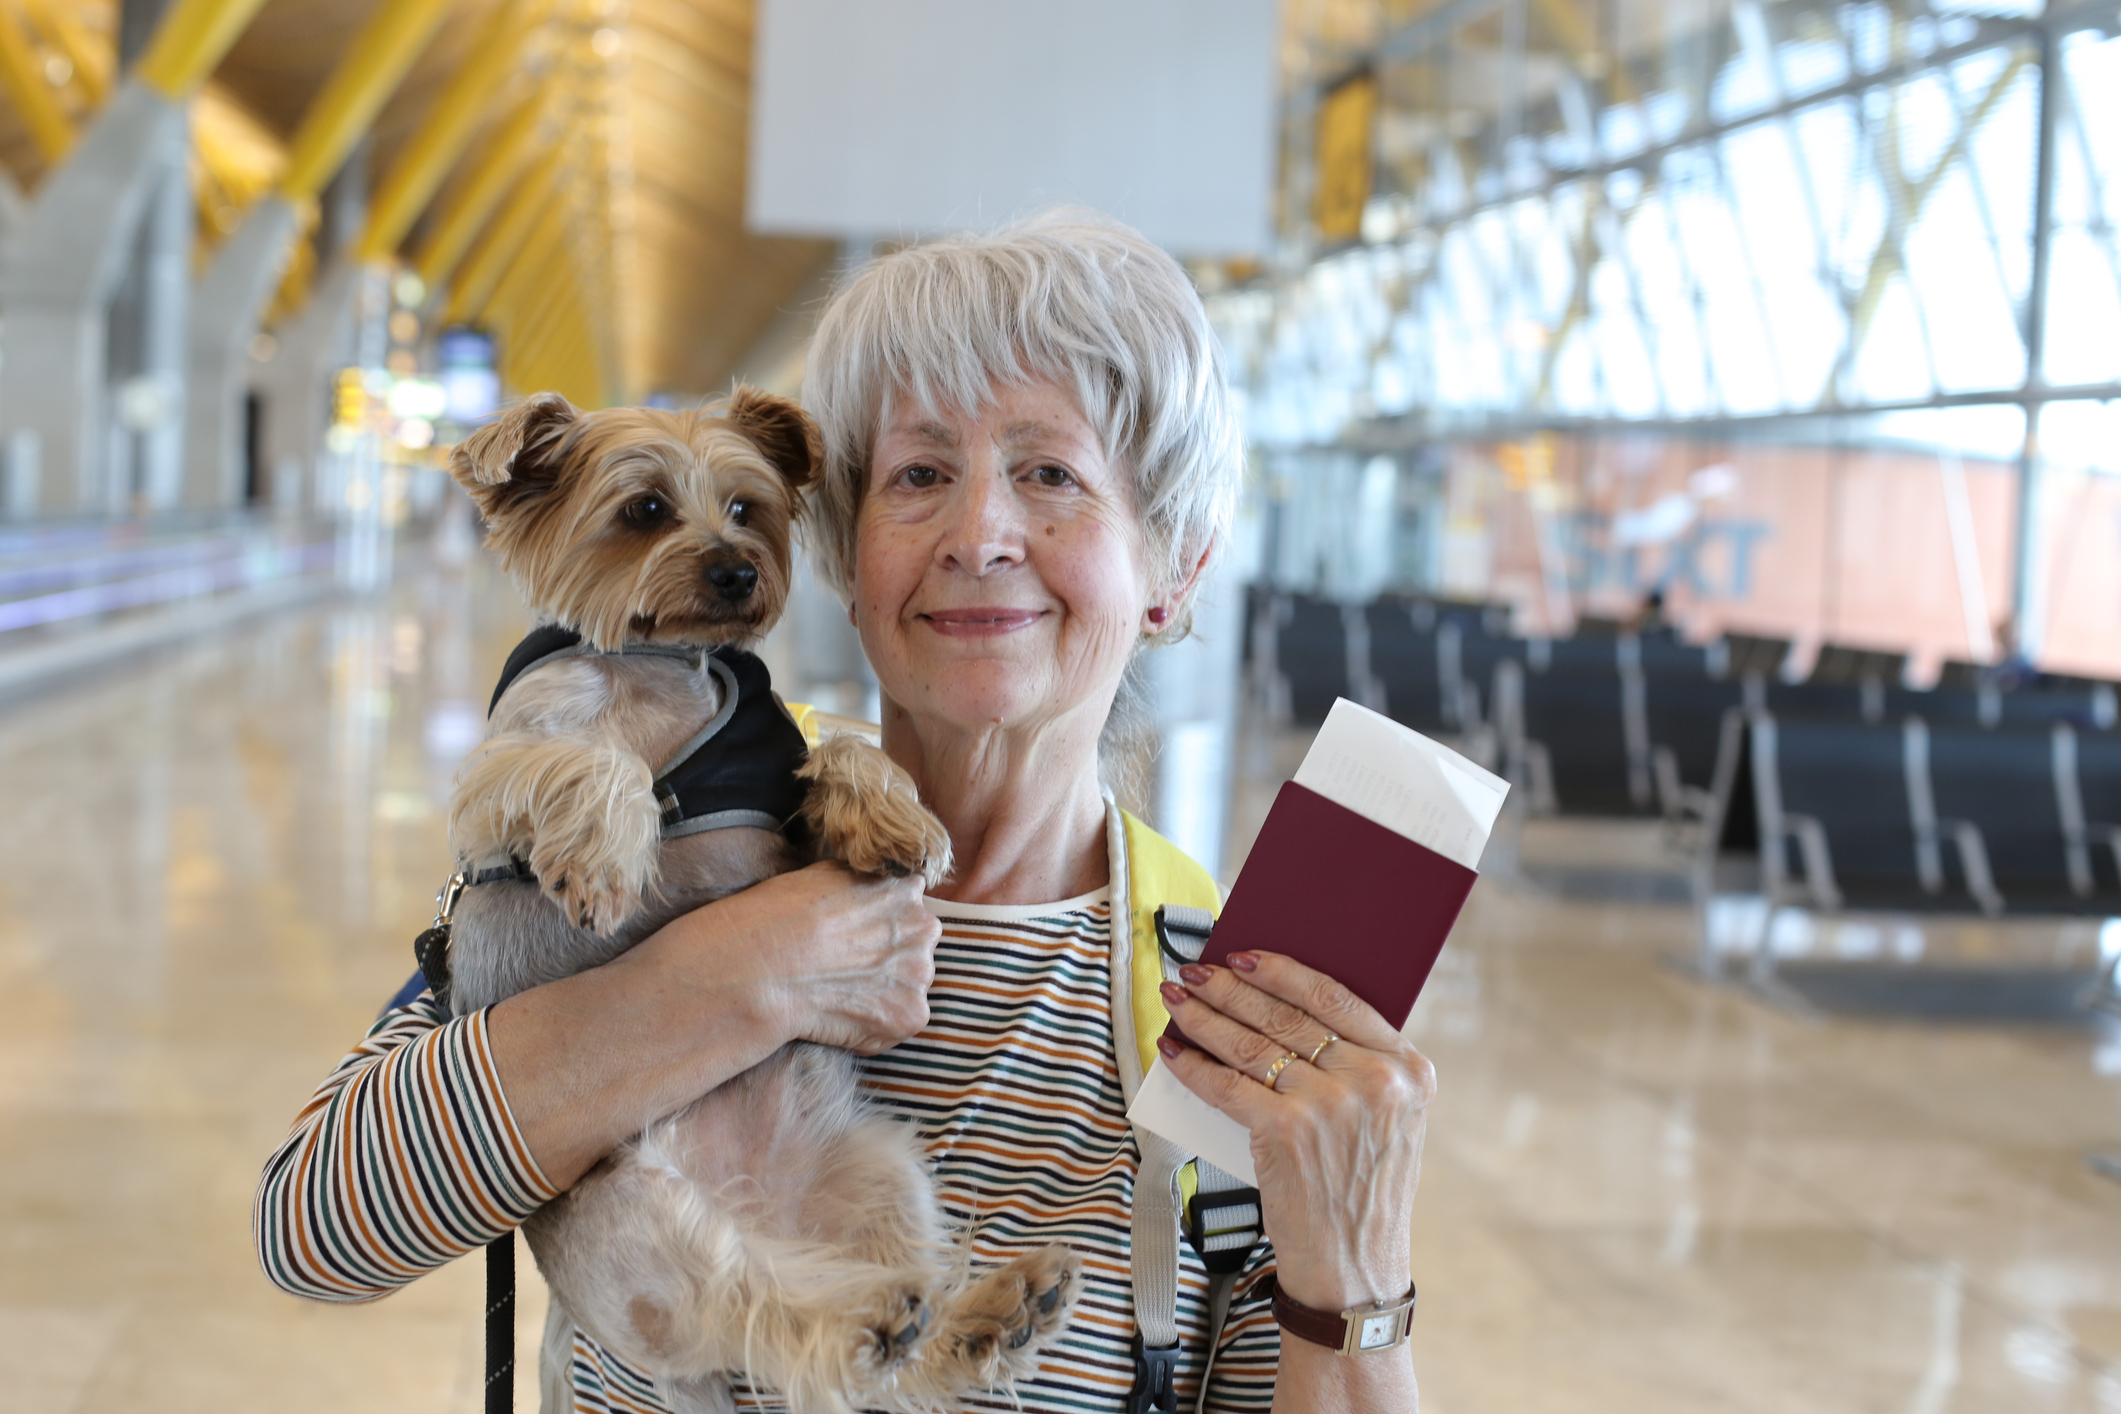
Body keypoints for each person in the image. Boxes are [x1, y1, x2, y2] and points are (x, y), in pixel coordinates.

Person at [256, 211, 1437, 1412]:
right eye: (921, 475)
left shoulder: (1233, 981)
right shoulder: (674, 818)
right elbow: (314, 1227)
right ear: (844, 549)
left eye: (1051, 475)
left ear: (1175, 564)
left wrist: (1356, 1274)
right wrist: (717, 982)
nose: (980, 536)